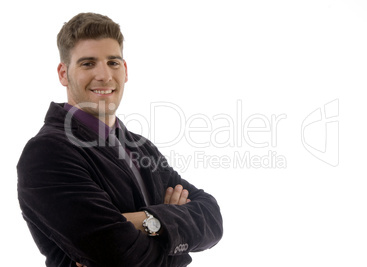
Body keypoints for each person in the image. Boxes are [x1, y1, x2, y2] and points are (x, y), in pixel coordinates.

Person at [17, 12, 223, 267]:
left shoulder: (142, 148)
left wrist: (142, 221)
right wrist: (176, 243)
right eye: (88, 63)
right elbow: (117, 256)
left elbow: (212, 218)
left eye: (113, 62)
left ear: (125, 71)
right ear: (63, 73)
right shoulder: (46, 153)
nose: (104, 76)